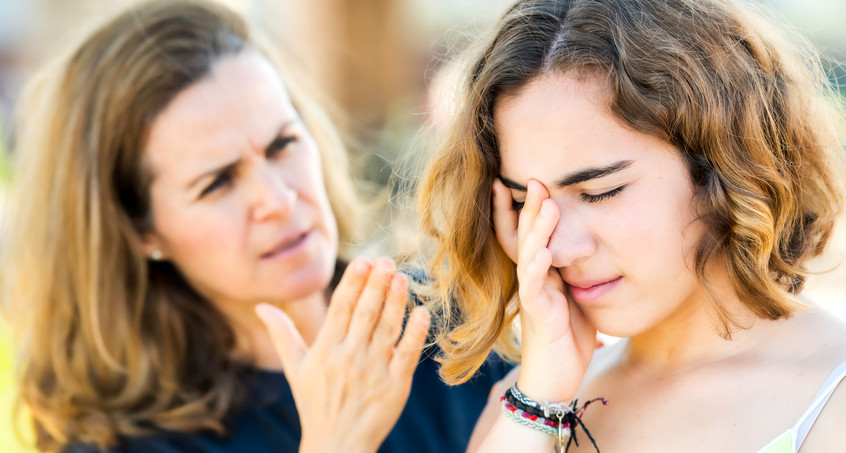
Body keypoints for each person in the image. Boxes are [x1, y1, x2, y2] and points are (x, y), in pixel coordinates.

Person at [0, 1, 508, 452]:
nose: (278, 199)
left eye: (282, 144)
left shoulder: (453, 321)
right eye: (217, 182)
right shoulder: (119, 442)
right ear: (139, 231)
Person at [418, 0, 846, 451]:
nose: (558, 249)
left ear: (722, 164)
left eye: (600, 192)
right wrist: (539, 404)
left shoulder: (831, 400)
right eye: (525, 203)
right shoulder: (526, 408)